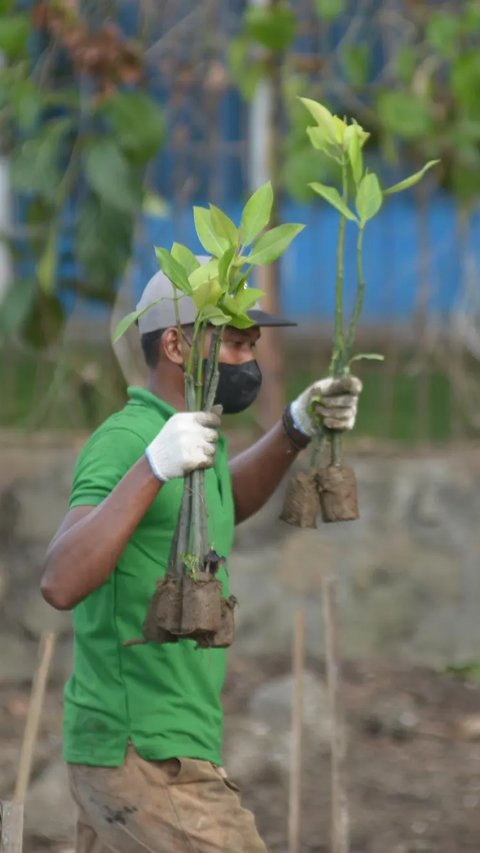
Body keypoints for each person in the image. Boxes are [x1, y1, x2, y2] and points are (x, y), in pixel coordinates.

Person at [41, 262, 362, 853]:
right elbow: (61, 580)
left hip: (169, 742)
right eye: (234, 343)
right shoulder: (129, 440)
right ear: (175, 343)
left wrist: (295, 427)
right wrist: (152, 465)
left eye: (252, 345)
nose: (249, 361)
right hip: (141, 750)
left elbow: (222, 503)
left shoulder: (193, 436)